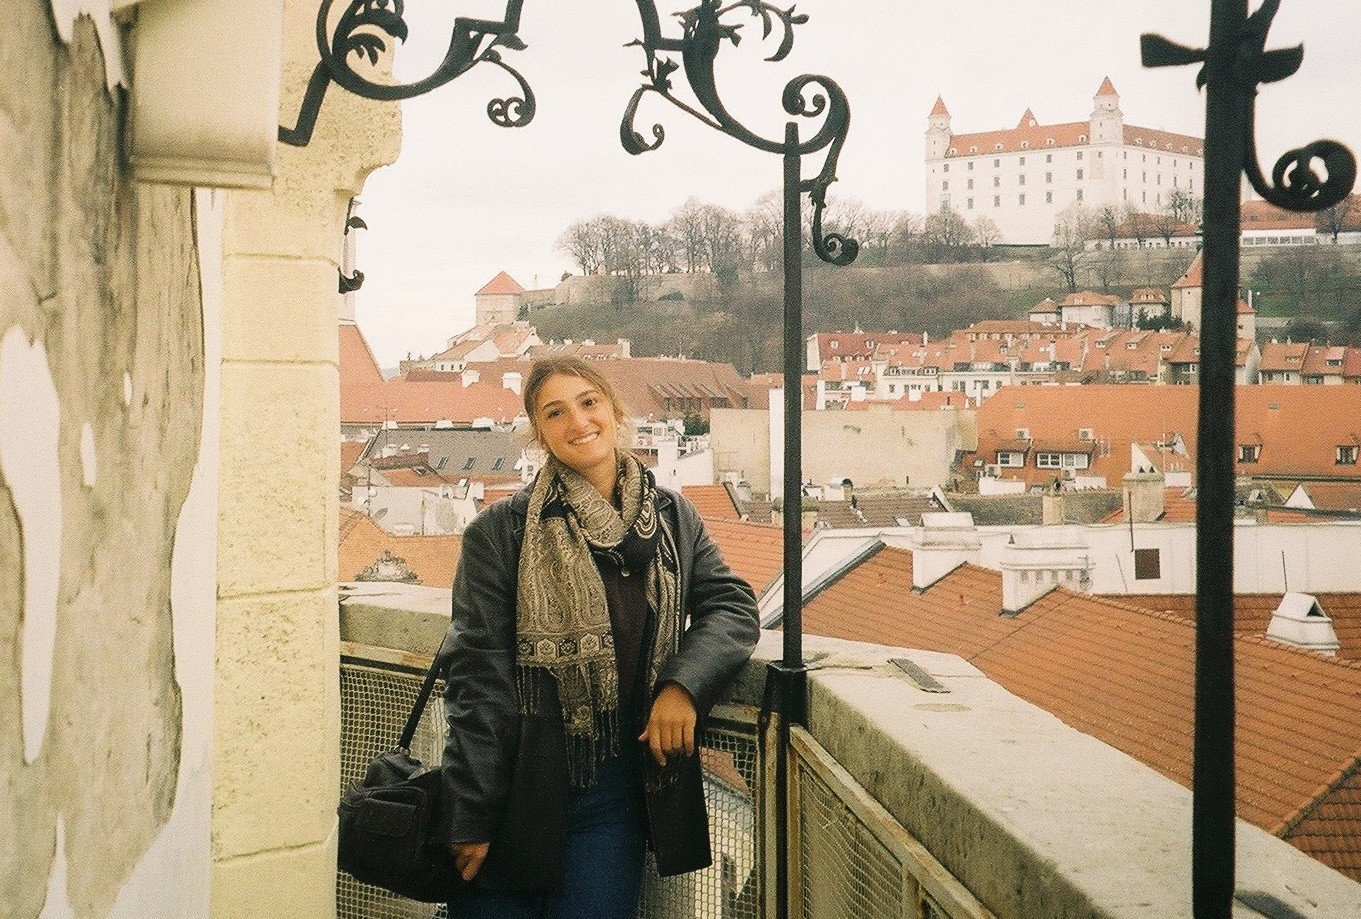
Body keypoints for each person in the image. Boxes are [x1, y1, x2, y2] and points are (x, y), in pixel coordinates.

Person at [435, 355, 761, 917]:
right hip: (513, 788)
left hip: (613, 793)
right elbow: (478, 680)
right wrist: (471, 814)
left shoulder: (671, 517)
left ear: (614, 410)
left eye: (589, 403)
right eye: (555, 413)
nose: (578, 422)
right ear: (539, 433)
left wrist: (682, 686)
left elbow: (731, 604)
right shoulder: (500, 532)